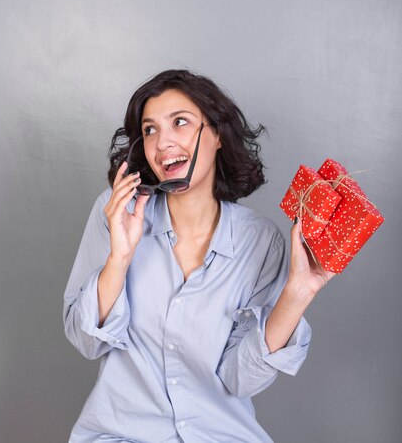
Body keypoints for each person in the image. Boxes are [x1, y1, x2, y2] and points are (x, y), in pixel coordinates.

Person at [63, 68, 334, 443]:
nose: (163, 143)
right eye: (150, 130)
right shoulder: (116, 212)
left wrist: (298, 293)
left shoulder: (261, 241)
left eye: (180, 122)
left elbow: (241, 380)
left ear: (218, 135)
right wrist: (119, 258)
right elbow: (87, 340)